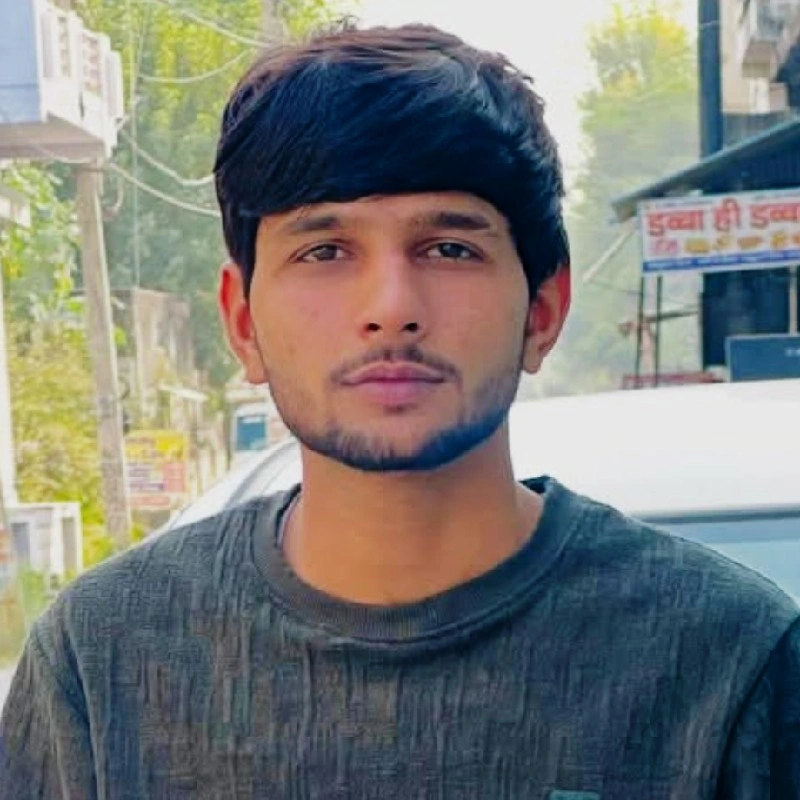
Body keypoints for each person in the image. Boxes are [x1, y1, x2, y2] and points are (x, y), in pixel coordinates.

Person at [2, 23, 798, 800]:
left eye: (450, 248)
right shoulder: (100, 661)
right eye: (324, 250)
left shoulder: (729, 659)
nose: (390, 307)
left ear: (543, 308)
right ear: (242, 322)